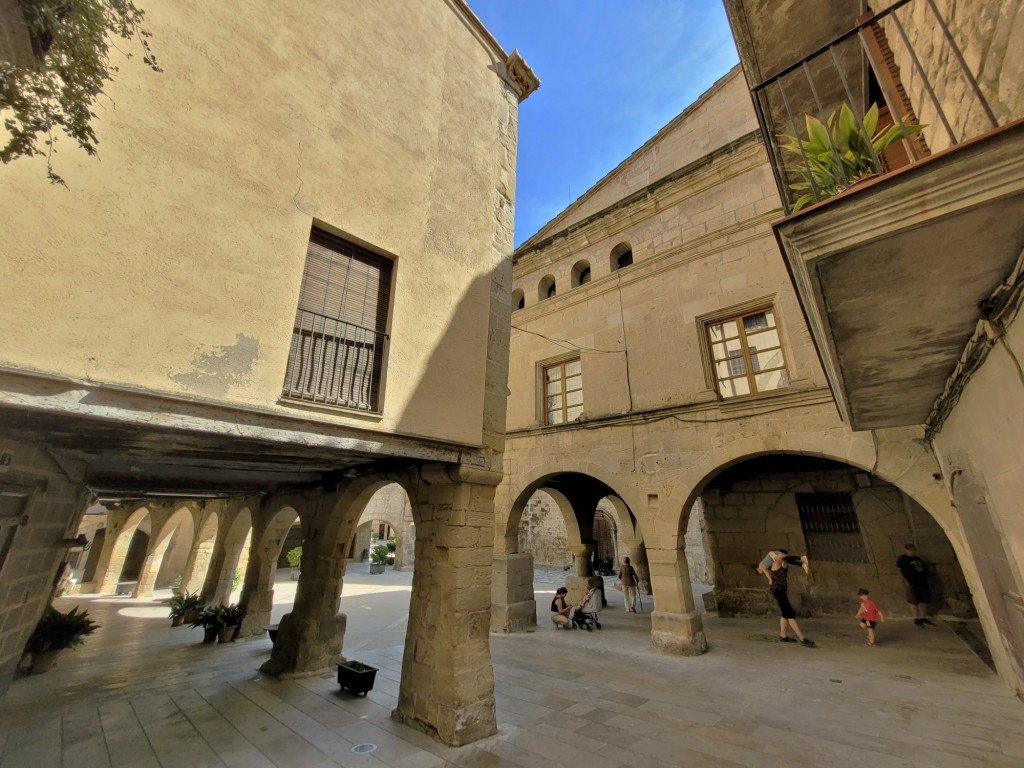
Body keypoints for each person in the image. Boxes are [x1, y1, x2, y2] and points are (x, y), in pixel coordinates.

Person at [761, 549, 815, 646]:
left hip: (782, 591)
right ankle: (802, 639)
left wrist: (802, 565)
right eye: (779, 554)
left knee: (785, 613)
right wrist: (801, 559)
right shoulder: (776, 563)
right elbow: (781, 558)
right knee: (790, 614)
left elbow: (789, 560)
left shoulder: (784, 562)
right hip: (778, 592)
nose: (779, 556)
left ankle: (783, 636)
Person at [896, 543, 934, 627]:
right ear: (907, 550)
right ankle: (917, 619)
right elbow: (899, 570)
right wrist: (905, 581)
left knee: (923, 601)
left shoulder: (917, 559)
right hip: (912, 583)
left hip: (922, 582)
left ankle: (923, 618)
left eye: (913, 550)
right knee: (914, 601)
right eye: (910, 550)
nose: (912, 551)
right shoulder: (903, 559)